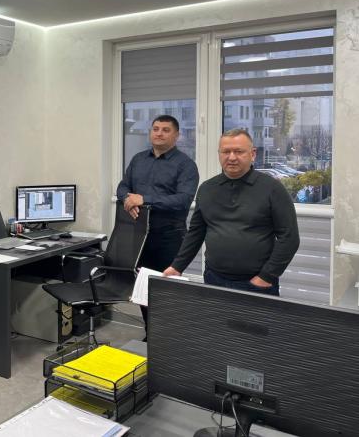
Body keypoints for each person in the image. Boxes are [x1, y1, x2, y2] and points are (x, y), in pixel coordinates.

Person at [164, 129, 300, 295]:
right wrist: (177, 266)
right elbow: (196, 233)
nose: (232, 157)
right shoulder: (207, 189)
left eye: (239, 151)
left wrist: (267, 276)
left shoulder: (272, 188)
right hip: (214, 278)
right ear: (219, 154)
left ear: (253, 154)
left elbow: (289, 238)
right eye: (226, 152)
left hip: (257, 283)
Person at [117, 114, 199, 331]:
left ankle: (168, 338)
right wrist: (127, 200)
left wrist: (144, 199)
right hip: (140, 237)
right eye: (156, 129)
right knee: (143, 290)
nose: (159, 133)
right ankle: (150, 334)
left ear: (176, 135)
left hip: (169, 238)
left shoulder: (186, 165)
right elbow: (123, 187)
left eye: (165, 130)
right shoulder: (138, 160)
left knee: (168, 293)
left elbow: (183, 200)